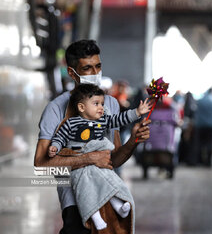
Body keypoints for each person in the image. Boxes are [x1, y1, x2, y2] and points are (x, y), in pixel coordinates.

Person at [34, 39, 151, 234]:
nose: (95, 73)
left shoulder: (110, 104)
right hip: (74, 201)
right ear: (72, 73)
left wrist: (134, 140)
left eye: (98, 66)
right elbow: (40, 163)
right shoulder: (55, 109)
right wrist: (87, 158)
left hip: (106, 192)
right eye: (87, 68)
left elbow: (113, 160)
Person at [48, 84, 151, 230]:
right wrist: (55, 147)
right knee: (85, 186)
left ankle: (118, 204)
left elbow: (120, 119)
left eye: (102, 103)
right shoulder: (71, 123)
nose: (101, 107)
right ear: (82, 107)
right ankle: (94, 216)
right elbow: (60, 138)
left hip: (99, 162)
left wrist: (137, 112)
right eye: (96, 104)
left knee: (109, 180)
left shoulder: (103, 120)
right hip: (80, 161)